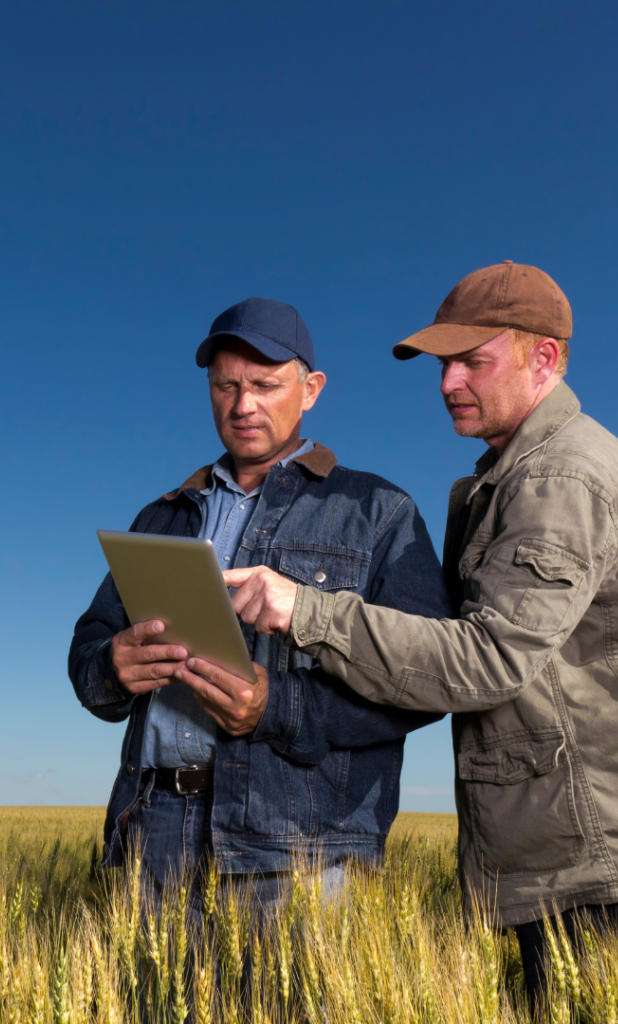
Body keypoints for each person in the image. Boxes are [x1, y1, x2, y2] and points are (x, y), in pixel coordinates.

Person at [219, 264, 618, 1000]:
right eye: (441, 363)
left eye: (473, 361)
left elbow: (489, 659)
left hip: (599, 853)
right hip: (570, 842)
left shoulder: (562, 479)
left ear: (544, 358)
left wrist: (306, 609)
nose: (449, 381)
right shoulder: (514, 475)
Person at [68, 296, 449, 910]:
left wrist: (281, 706)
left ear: (311, 389)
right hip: (152, 828)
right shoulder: (161, 516)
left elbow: (429, 681)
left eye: (265, 385)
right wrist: (111, 667)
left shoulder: (380, 513)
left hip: (299, 845)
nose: (243, 405)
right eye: (226, 386)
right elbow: (89, 647)